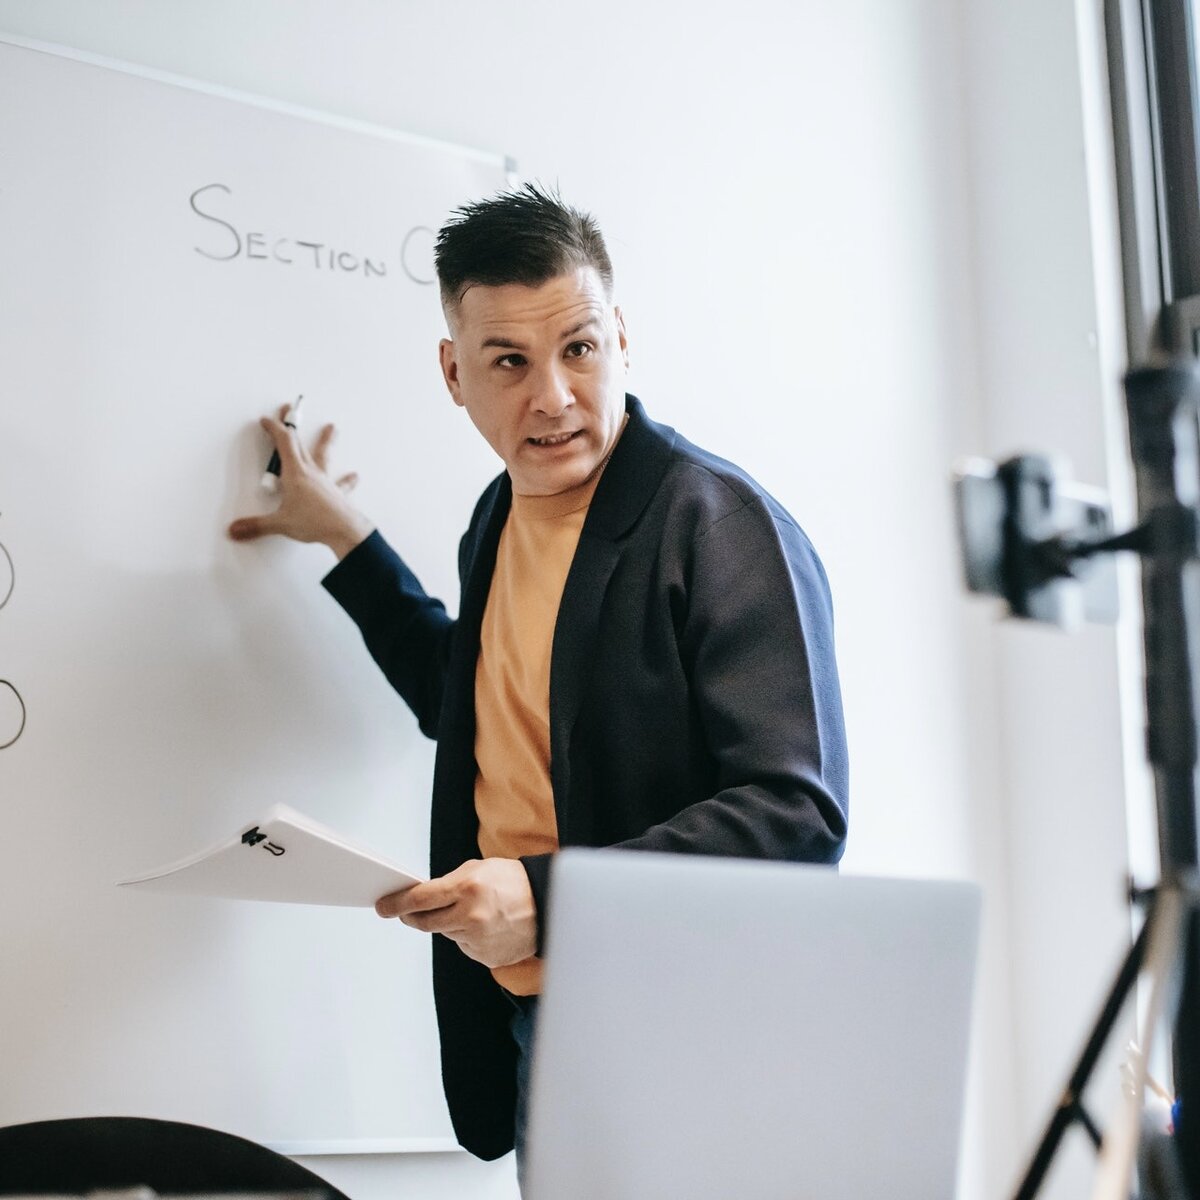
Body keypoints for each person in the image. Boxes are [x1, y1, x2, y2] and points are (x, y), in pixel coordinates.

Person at [227, 184, 850, 1178]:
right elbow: (469, 703)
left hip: (698, 1035)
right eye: (509, 362)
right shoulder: (499, 516)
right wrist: (344, 535)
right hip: (541, 1030)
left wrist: (549, 898)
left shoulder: (721, 525)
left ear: (622, 338)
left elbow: (796, 814)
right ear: (454, 373)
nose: (553, 396)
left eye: (580, 347)